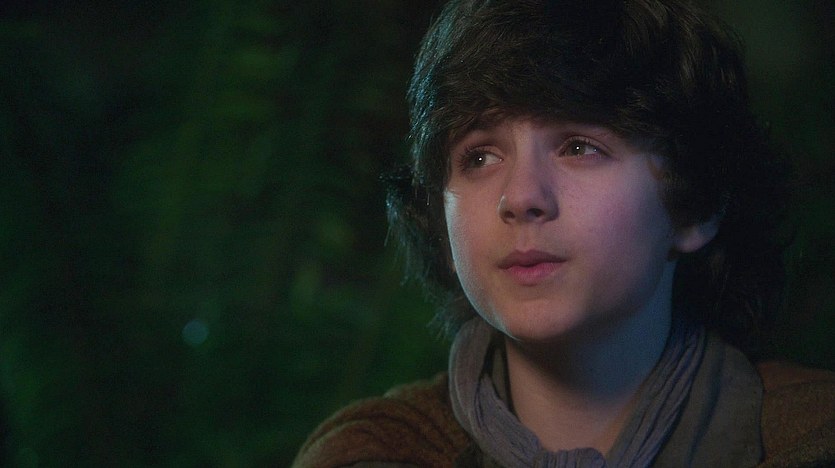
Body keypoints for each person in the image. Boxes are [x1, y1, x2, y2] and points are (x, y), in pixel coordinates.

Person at [293, 0, 835, 466]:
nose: (520, 196)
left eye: (579, 147)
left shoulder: (812, 434)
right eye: (479, 157)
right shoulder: (370, 453)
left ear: (695, 205)